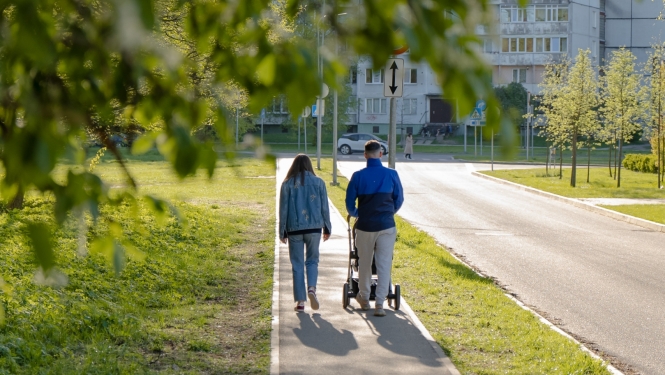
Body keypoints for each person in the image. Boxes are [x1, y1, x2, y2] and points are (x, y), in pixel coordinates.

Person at [345, 140, 404, 317]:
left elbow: (349, 204)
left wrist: (357, 213)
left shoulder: (357, 176)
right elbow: (399, 199)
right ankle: (379, 304)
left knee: (364, 262)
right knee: (384, 263)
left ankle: (364, 298)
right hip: (386, 225)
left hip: (365, 226)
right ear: (381, 154)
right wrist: (388, 213)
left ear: (365, 155)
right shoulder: (392, 174)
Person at [279, 154, 332, 312]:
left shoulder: (287, 184)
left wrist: (282, 230)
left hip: (294, 228)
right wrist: (327, 227)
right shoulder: (319, 182)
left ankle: (300, 302)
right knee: (312, 261)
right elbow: (324, 207)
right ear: (309, 165)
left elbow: (283, 209)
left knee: (297, 264)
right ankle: (312, 289)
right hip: (314, 228)